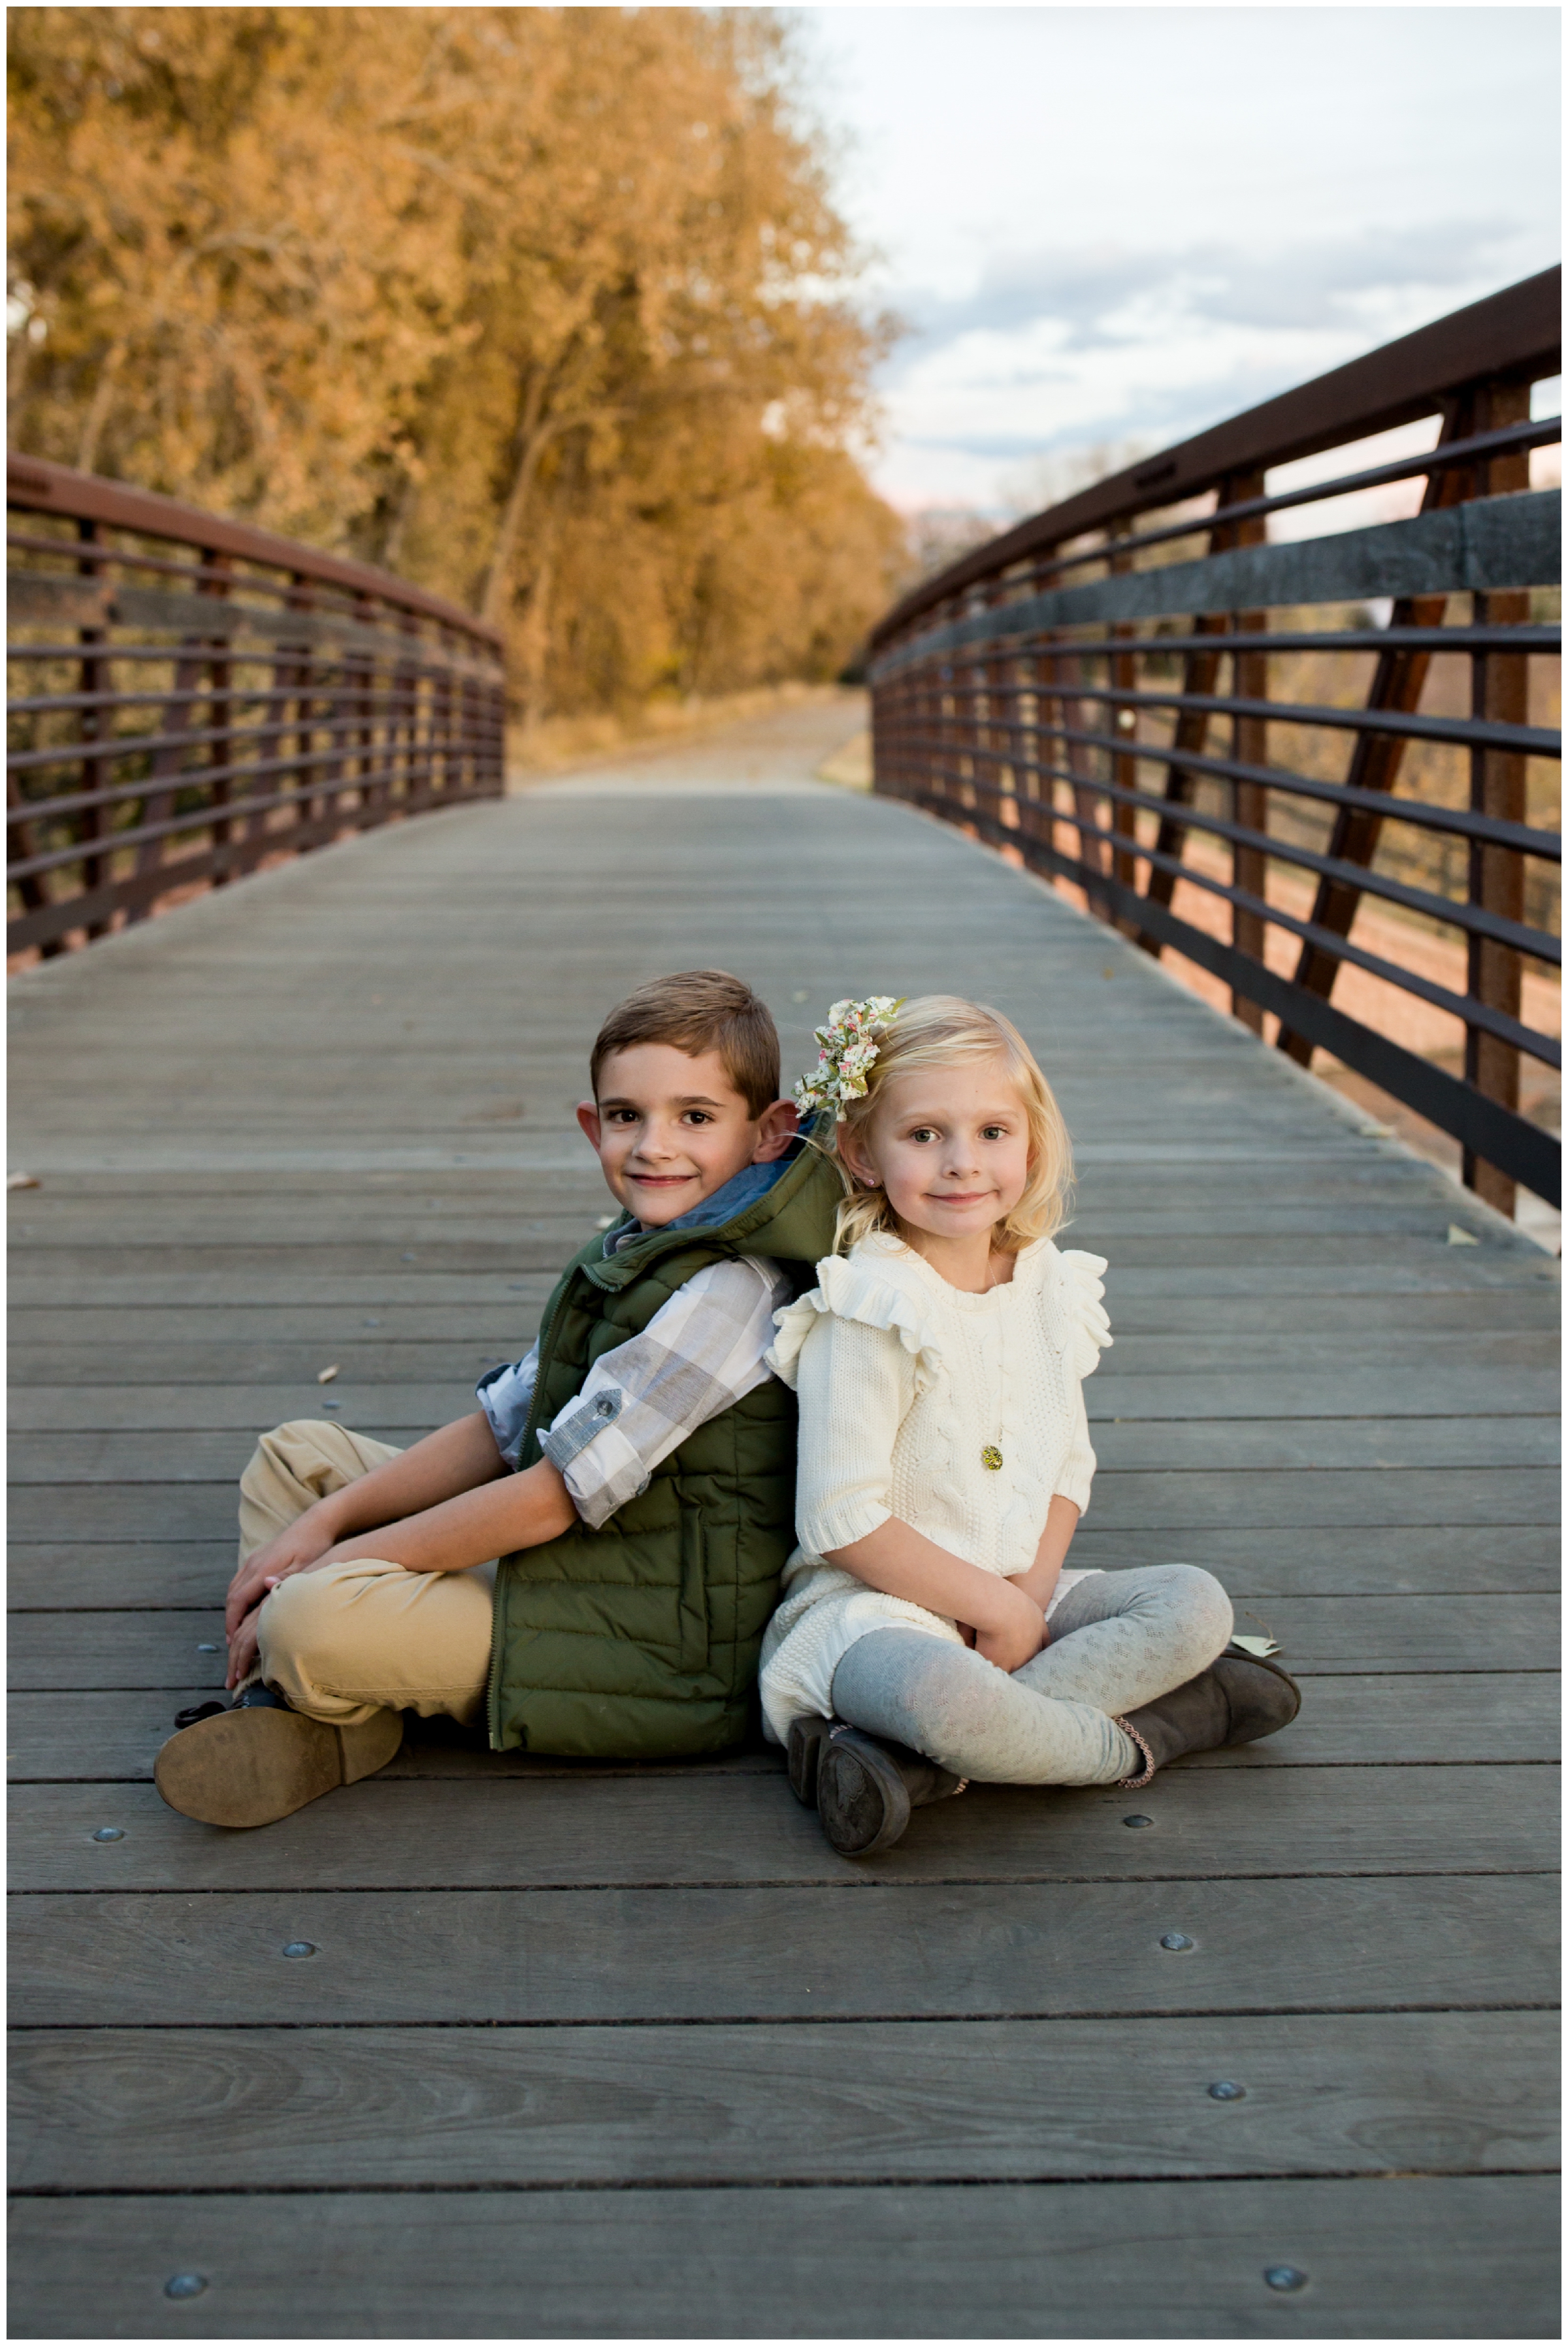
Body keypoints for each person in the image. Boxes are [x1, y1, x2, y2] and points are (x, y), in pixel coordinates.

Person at [154, 969, 842, 1828]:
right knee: (296, 1459)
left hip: (659, 1646)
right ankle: (337, 1706)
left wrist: (333, 1567)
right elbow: (501, 1426)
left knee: (310, 1615)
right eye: (627, 1116)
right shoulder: (639, 1247)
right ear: (594, 1124)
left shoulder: (730, 1291)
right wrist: (320, 1527)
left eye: (695, 1117)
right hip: (590, 1563)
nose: (654, 1146)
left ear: (768, 1131)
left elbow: (551, 1498)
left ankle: (316, 1695)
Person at [760, 993, 1300, 1858]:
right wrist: (996, 1614)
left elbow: (1067, 1466)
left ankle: (918, 1768)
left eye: (992, 1133)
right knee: (948, 1697)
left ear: (1033, 1143)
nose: (961, 1162)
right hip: (878, 1616)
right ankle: (1148, 1736)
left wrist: (1026, 1598)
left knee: (1196, 1603)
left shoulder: (1048, 1285)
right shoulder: (871, 1305)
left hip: (1020, 1587)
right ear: (862, 1152)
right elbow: (839, 1516)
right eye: (925, 1134)